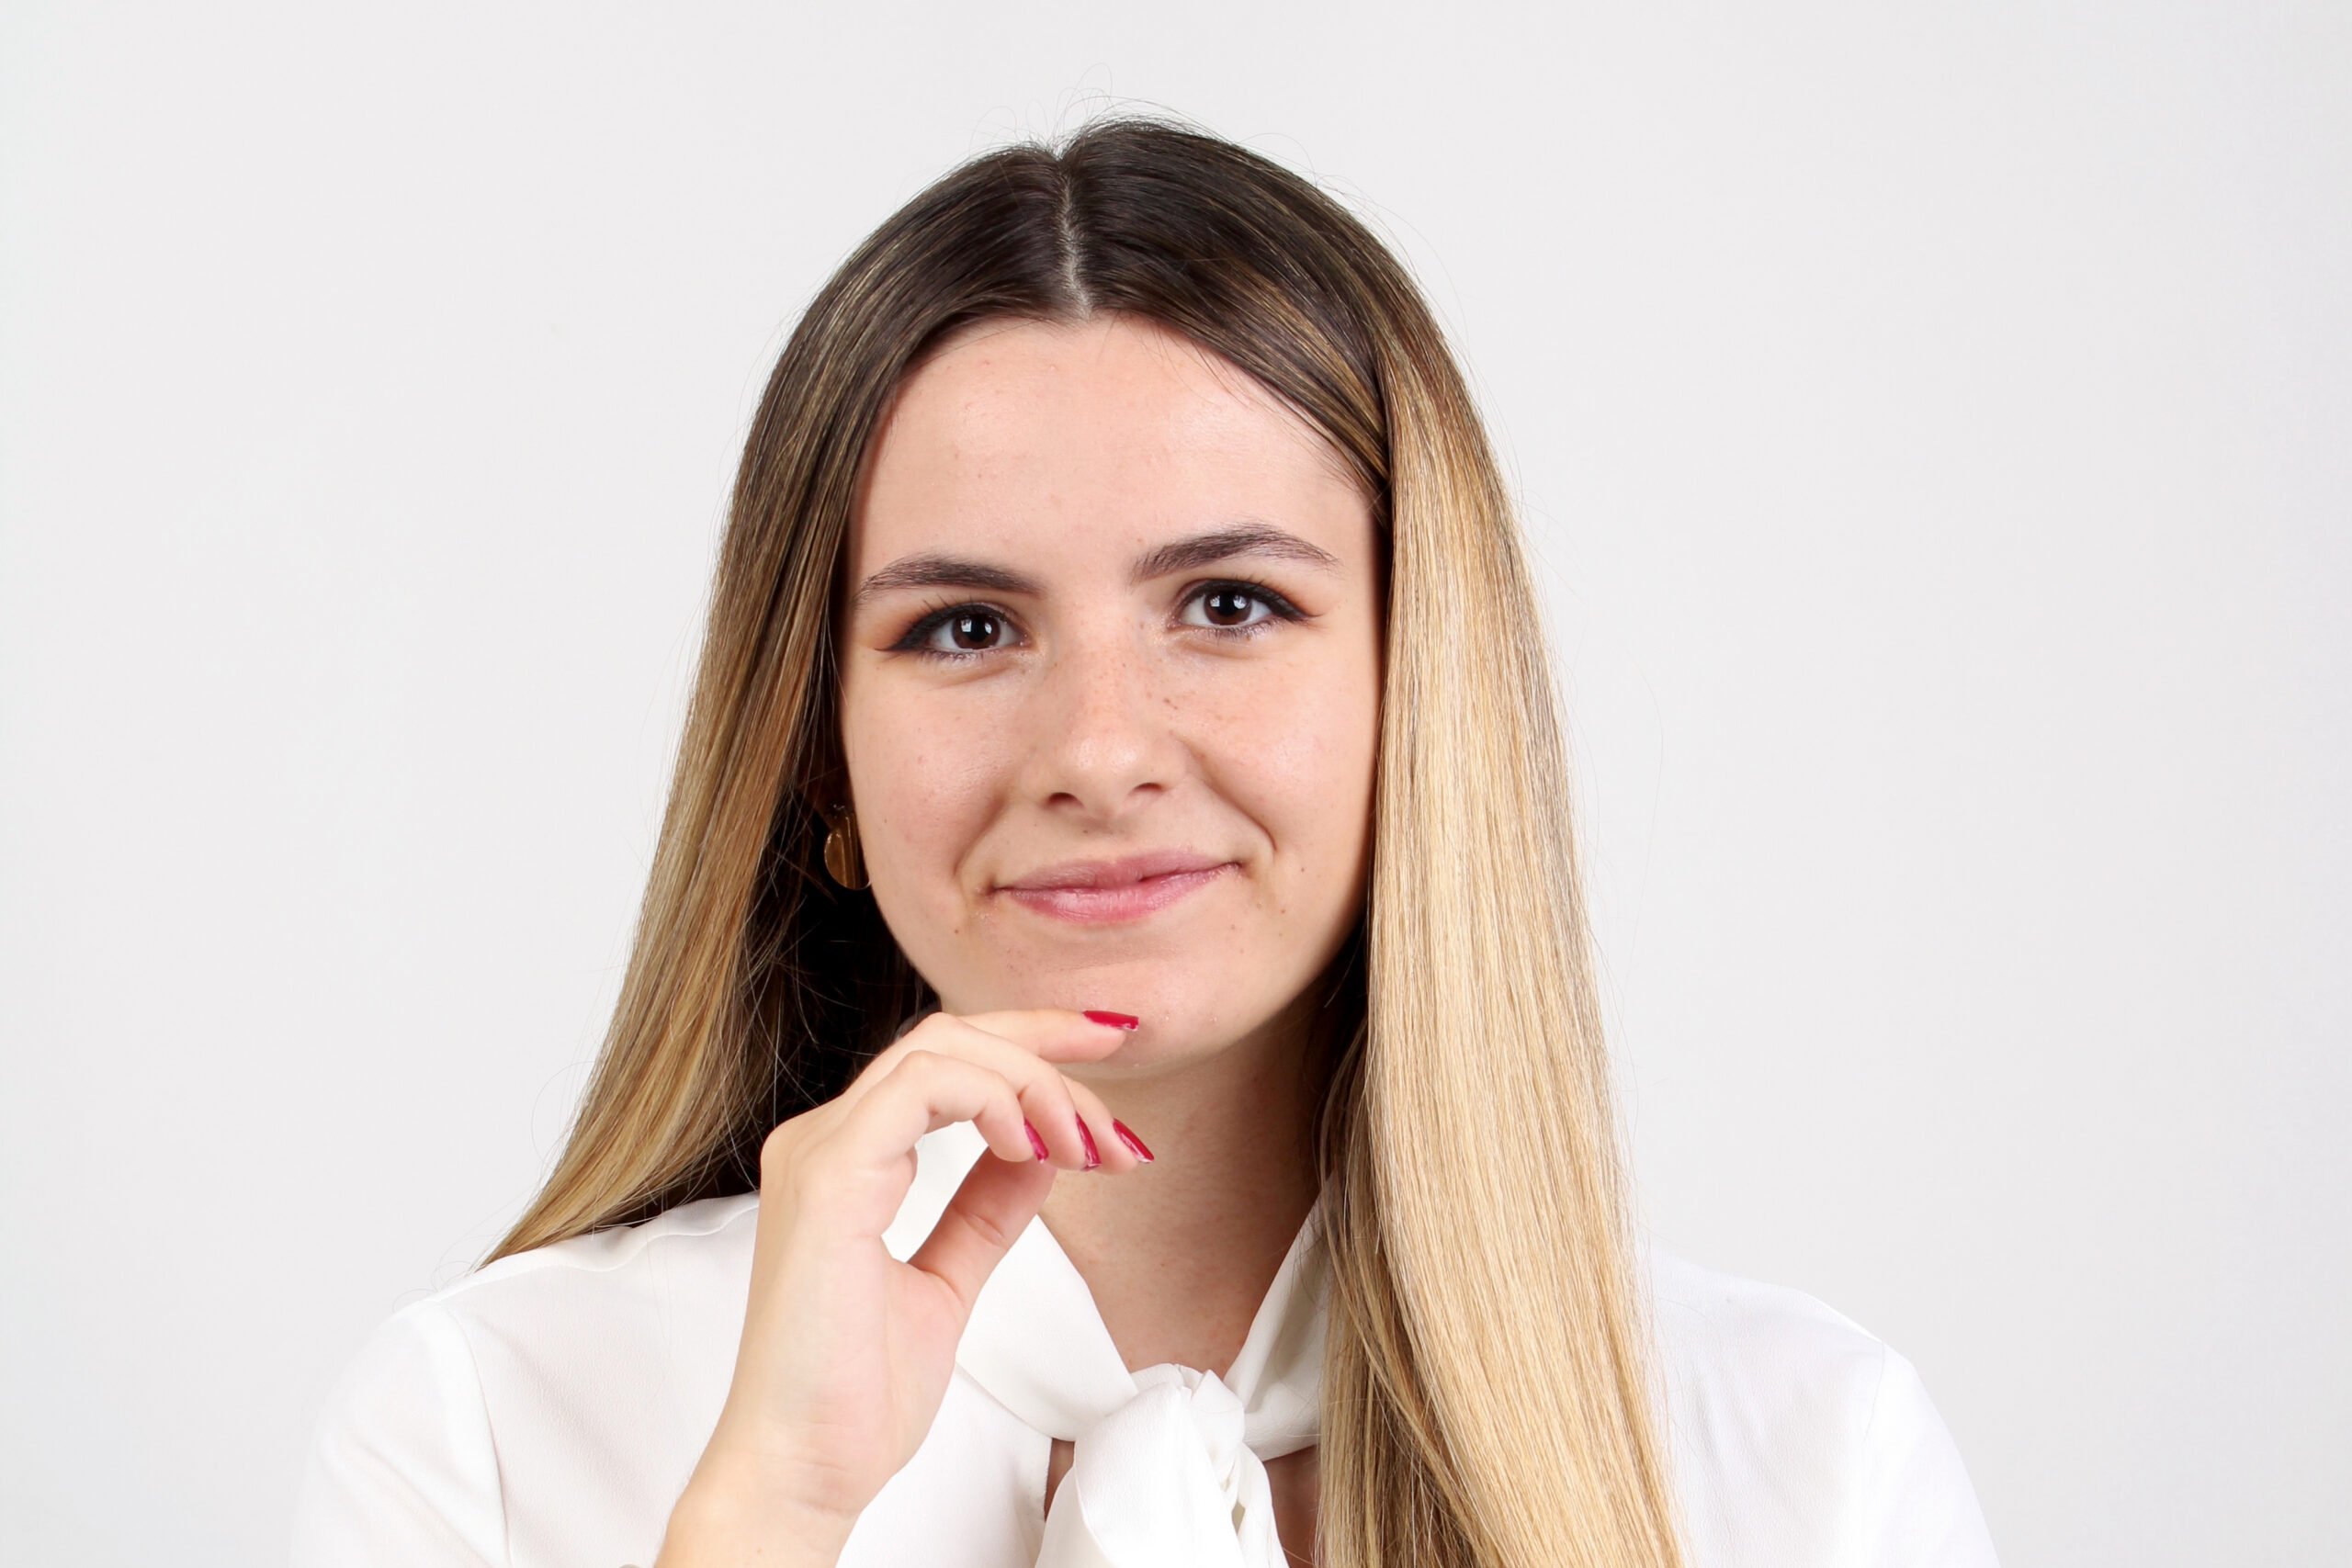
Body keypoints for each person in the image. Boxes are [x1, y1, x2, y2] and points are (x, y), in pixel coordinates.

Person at [292, 118, 2000, 1568]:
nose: (1100, 753)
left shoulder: (1805, 1466)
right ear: (818, 753)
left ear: (1424, 689)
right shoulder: (489, 1432)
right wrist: (769, 1518)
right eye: (966, 629)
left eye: (1231, 604)